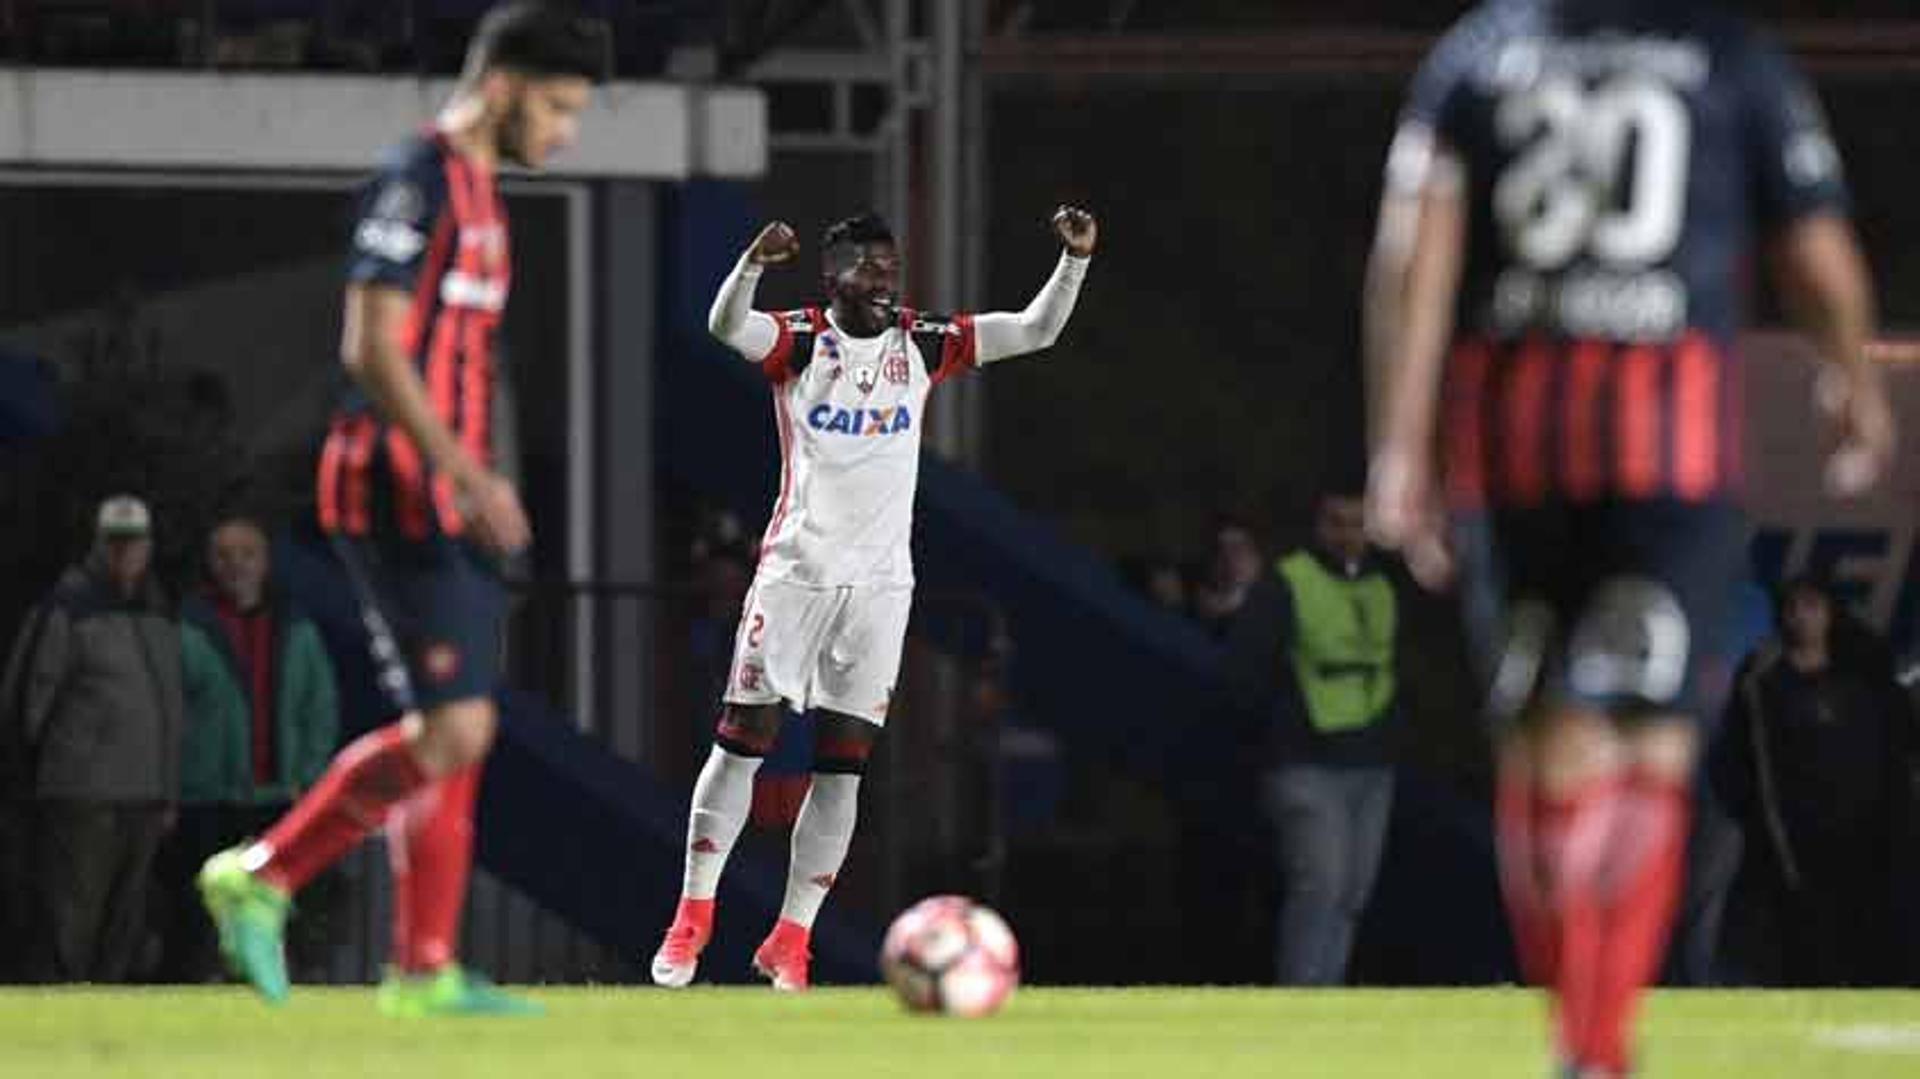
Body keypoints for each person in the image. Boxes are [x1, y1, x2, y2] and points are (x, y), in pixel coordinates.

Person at [1363, 2, 1893, 1075]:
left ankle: (1579, 1038)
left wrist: (1396, 446)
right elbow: (1816, 249)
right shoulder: (1729, 54)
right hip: (1673, 449)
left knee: (1542, 740)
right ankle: (1595, 1043)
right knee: (1650, 739)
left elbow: (1409, 256)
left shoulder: (1478, 54)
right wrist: (1854, 377)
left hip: (1512, 444)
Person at [195, 1, 600, 1015]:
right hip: (394, 485)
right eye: (556, 107)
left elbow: (455, 356)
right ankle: (263, 870)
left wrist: (473, 474)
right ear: (502, 85)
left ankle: (424, 968)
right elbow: (370, 346)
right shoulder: (416, 179)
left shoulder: (483, 194)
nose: (565, 131)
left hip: (447, 493)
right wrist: (467, 472)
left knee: (461, 725)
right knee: (456, 728)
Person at [650, 205, 1098, 991]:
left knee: (844, 765)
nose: (885, 283)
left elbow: (1035, 330)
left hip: (883, 587)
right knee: (743, 741)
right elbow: (727, 325)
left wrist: (1075, 261)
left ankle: (791, 936)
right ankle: (693, 916)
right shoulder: (800, 339)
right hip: (796, 574)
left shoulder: (923, 342)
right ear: (833, 277)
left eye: (891, 270)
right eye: (868, 270)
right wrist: (751, 265)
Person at [0, 494, 182, 982]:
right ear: (98, 545)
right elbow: (28, 699)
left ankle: (106, 1010)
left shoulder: (158, 613)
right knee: (71, 913)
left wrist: (168, 789)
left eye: (134, 543)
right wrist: (31, 778)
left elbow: (169, 707)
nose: (125, 553)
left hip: (144, 791)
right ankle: (58, 1003)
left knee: (125, 917)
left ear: (148, 546)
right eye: (115, 543)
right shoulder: (66, 608)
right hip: (82, 792)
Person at [1224, 488, 1401, 985]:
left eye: (1357, 523)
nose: (1347, 536)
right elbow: (1242, 673)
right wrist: (1279, 733)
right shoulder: (1286, 585)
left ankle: (1328, 995)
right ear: (1317, 526)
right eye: (1336, 523)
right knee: (1320, 885)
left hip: (1370, 763)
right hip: (1305, 763)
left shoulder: (1384, 584)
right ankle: (1301, 998)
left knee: (1351, 893)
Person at [158, 515, 339, 982]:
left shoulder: (296, 628)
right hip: (207, 793)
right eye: (224, 555)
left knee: (278, 903)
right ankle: (196, 985)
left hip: (278, 793)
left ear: (264, 563)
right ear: (210, 563)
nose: (235, 565)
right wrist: (173, 784)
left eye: (246, 554)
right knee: (196, 911)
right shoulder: (188, 627)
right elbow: (167, 712)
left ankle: (271, 980)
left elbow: (319, 707)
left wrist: (308, 774)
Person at [1715, 574, 1913, 986]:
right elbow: (1754, 764)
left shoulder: (1863, 678)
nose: (1801, 617)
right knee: (1808, 933)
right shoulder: (1766, 684)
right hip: (1798, 835)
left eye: (1811, 606)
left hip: (1866, 832)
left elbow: (1892, 750)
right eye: (1792, 607)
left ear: (1830, 613)